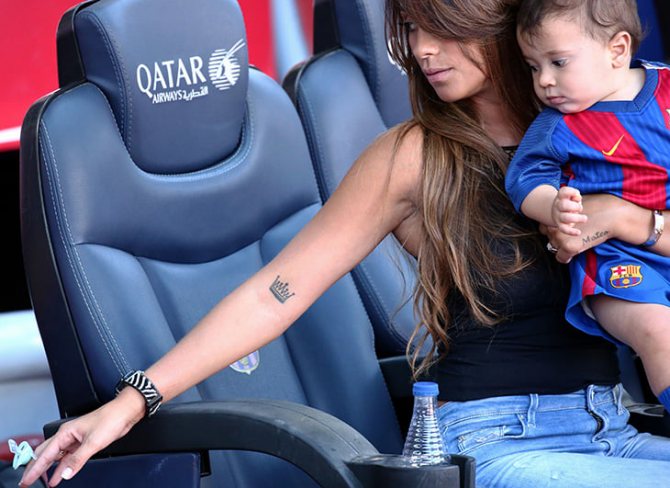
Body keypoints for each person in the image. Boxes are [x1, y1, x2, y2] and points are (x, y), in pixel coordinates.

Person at [19, 0, 670, 486]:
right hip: (495, 443)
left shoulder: (607, 128)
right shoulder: (414, 156)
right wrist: (132, 401)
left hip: (614, 424)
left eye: (443, 26)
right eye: (409, 28)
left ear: (501, 17)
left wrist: (629, 220)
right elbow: (277, 292)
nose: (422, 50)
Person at [505, 0, 670, 416]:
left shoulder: (666, 88)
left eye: (558, 62)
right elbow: (524, 181)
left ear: (617, 50)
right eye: (533, 67)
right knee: (660, 332)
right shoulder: (557, 125)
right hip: (616, 265)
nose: (544, 80)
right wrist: (554, 207)